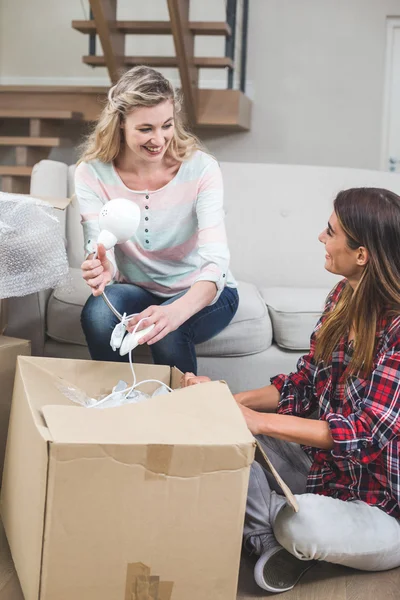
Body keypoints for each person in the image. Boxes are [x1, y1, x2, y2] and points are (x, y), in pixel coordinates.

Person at [181, 187, 400, 593]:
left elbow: (364, 433)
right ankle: (267, 537)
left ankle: (272, 527)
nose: (321, 237)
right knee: (223, 432)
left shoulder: (398, 329)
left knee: (301, 524)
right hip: (323, 471)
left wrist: (258, 420)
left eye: (331, 232)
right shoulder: (341, 298)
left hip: (381, 508)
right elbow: (302, 386)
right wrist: (227, 402)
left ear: (362, 255)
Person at [75, 66, 238, 374]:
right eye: (145, 129)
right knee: (97, 314)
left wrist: (173, 312)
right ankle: (120, 402)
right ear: (120, 124)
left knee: (166, 329)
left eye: (167, 125)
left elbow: (216, 263)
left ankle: (179, 417)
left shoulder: (202, 170)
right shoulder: (91, 173)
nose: (159, 139)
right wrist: (102, 268)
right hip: (137, 288)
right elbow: (98, 244)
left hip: (204, 289)